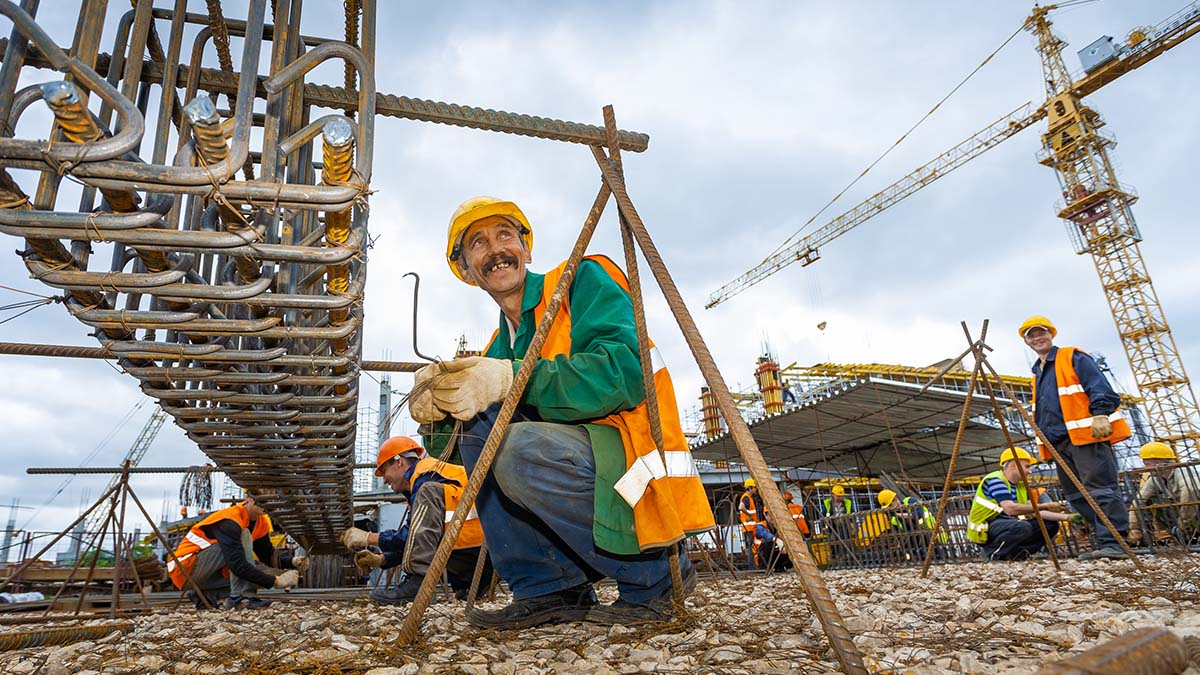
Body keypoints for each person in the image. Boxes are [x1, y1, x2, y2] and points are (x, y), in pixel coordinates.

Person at [411, 196, 715, 628]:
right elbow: (459, 456)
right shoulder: (498, 351)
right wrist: (435, 414)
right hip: (583, 468)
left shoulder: (580, 281)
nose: (495, 249)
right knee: (483, 428)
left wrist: (511, 379)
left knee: (515, 448)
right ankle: (551, 587)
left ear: (526, 249)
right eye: (478, 243)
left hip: (631, 462)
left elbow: (623, 374)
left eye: (505, 235)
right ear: (465, 269)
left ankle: (656, 577)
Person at [1021, 315, 1131, 560]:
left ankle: (1114, 542)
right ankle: (1106, 537)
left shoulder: (1073, 357)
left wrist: (1101, 413)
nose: (1037, 338)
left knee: (1101, 490)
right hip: (1059, 443)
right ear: (1027, 341)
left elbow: (1098, 386)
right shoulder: (1037, 372)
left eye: (1041, 333)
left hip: (1086, 437)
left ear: (1051, 333)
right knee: (1075, 495)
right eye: (1031, 335)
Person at [340, 436, 493, 605]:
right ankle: (468, 588)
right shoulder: (426, 481)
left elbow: (412, 534)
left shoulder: (426, 477)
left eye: (384, 471)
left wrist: (369, 538)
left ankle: (419, 583)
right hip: (481, 557)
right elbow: (417, 538)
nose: (384, 479)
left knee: (428, 493)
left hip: (480, 546)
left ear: (399, 462)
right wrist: (383, 559)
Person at [167, 495, 304, 609]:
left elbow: (267, 555)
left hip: (201, 575)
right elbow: (237, 565)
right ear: (248, 499)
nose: (265, 505)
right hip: (184, 569)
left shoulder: (261, 522)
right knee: (244, 544)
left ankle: (205, 594)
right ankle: (244, 598)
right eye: (261, 500)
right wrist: (276, 581)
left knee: (254, 574)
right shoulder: (231, 520)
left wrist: (292, 562)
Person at [967, 448, 1078, 561]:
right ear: (1014, 465)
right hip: (985, 527)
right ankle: (993, 555)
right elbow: (1010, 509)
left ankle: (1017, 555)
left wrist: (1068, 517)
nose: (1029, 471)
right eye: (1027, 466)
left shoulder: (1020, 486)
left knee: (1050, 526)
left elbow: (1035, 511)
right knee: (1022, 527)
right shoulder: (996, 481)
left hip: (1005, 525)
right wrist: (1046, 506)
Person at [1129, 442, 1199, 545]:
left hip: (1195, 510)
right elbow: (1138, 502)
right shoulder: (1155, 479)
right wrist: (1134, 528)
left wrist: (1182, 527)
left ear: (1160, 462)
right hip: (1187, 514)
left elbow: (1190, 491)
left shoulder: (1183, 472)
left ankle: (1190, 534)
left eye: (1147, 464)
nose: (1146, 468)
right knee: (1156, 503)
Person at [821, 485, 854, 565]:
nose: (840, 497)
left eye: (841, 496)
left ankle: (847, 558)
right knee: (833, 542)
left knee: (846, 541)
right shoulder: (828, 503)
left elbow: (852, 513)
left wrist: (852, 523)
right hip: (832, 526)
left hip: (844, 525)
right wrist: (823, 527)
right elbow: (823, 516)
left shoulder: (847, 503)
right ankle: (834, 558)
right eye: (838, 496)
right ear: (833, 494)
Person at [737, 479, 763, 568]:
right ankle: (752, 567)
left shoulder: (748, 498)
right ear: (749, 488)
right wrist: (749, 515)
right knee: (752, 548)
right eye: (754, 487)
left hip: (750, 528)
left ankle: (753, 566)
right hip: (749, 529)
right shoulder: (746, 497)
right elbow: (741, 507)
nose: (756, 489)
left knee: (752, 547)